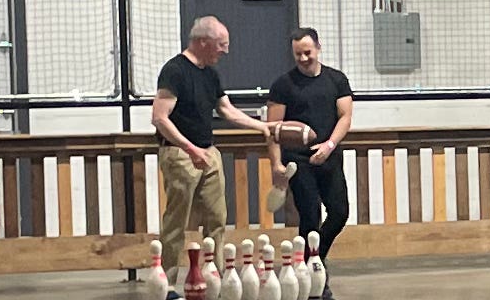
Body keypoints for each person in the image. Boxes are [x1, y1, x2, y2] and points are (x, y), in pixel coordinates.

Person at [256, 24, 355, 262]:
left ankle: (314, 258)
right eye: (298, 54)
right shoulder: (283, 85)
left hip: (329, 155)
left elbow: (345, 117)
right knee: (310, 215)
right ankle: (311, 267)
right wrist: (276, 164)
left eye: (307, 52)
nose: (303, 58)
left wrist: (329, 145)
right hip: (298, 160)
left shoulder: (337, 80)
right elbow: (273, 128)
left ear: (318, 48)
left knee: (339, 212)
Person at [149, 14, 235, 282]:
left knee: (217, 218)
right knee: (177, 222)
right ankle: (166, 282)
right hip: (179, 154)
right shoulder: (175, 70)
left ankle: (215, 278)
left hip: (209, 151)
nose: (225, 51)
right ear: (203, 42)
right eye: (221, 44)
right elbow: (159, 118)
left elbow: (226, 109)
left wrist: (265, 127)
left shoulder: (210, 73)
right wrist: (189, 148)